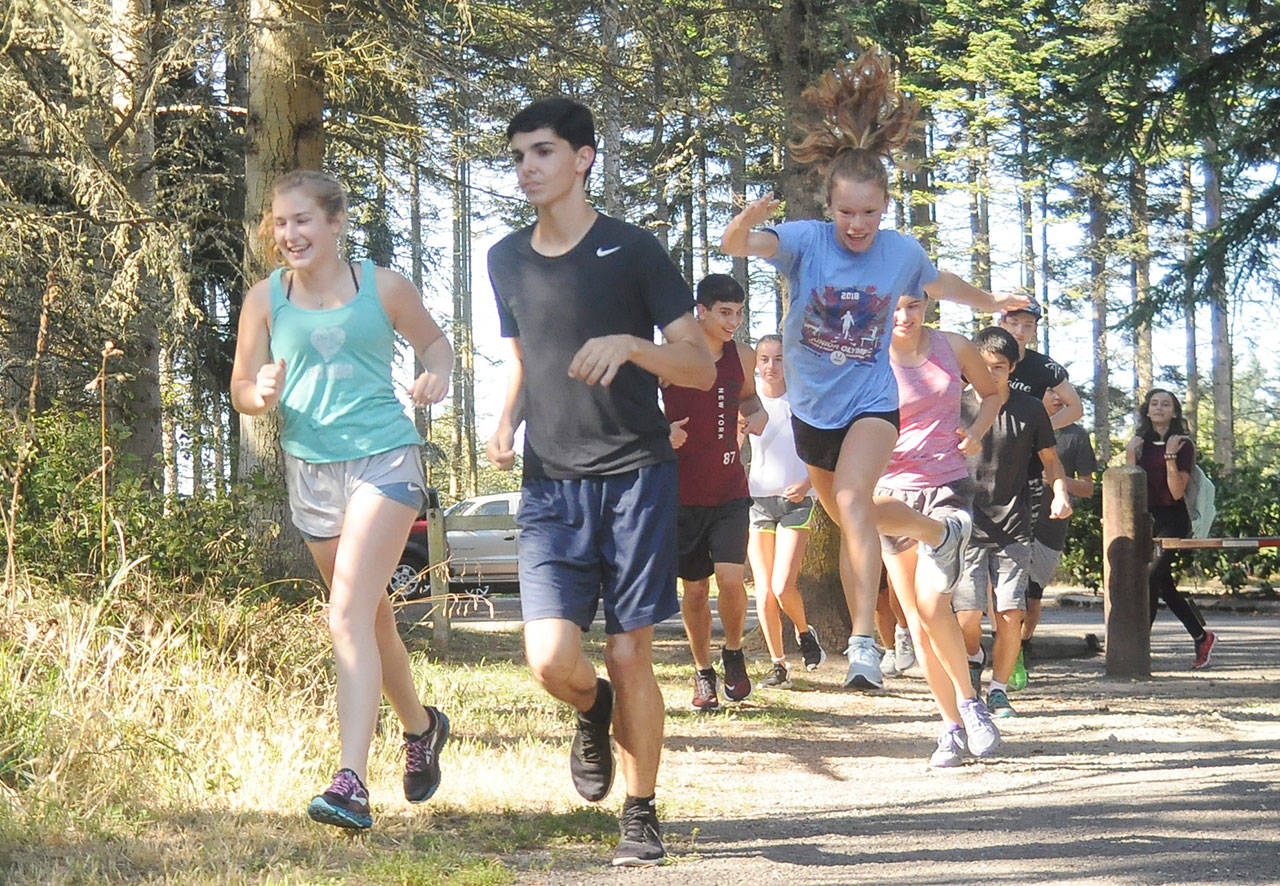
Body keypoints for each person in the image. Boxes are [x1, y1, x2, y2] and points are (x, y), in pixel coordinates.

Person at [718, 49, 1028, 690]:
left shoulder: (899, 252)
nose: (857, 225)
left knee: (857, 501)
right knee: (851, 516)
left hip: (870, 402)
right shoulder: (806, 241)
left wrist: (992, 301)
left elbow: (939, 281)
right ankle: (936, 533)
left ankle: (863, 643)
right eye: (846, 212)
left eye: (869, 213)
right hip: (811, 411)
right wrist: (747, 222)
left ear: (885, 208)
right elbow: (734, 246)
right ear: (829, 206)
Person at [485, 97, 715, 867]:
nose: (528, 169)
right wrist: (504, 417)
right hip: (550, 482)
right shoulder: (504, 258)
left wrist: (632, 345)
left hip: (636, 479)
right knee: (551, 661)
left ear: (583, 158)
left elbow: (699, 363)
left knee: (628, 653)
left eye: (543, 153)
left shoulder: (635, 250)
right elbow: (523, 357)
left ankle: (641, 812)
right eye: (518, 156)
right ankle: (595, 712)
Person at [229, 170, 454, 831]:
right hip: (312, 471)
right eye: (280, 222)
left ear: (335, 223)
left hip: (385, 458)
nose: (289, 234)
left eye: (302, 220)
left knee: (346, 612)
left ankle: (351, 782)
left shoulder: (380, 286)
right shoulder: (264, 300)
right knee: (371, 619)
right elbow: (241, 383)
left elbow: (434, 342)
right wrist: (258, 393)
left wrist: (436, 373)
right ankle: (422, 727)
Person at [875, 294, 1003, 767]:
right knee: (918, 620)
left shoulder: (953, 347)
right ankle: (950, 726)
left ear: (926, 304)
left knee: (934, 605)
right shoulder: (866, 358)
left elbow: (993, 393)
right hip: (890, 495)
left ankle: (972, 705)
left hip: (947, 486)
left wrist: (978, 432)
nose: (904, 317)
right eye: (893, 308)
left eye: (912, 306)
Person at [954, 327, 1072, 719]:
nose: (989, 376)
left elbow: (1050, 460)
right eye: (982, 368)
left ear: (1014, 368)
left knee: (1010, 614)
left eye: (999, 368)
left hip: (1014, 526)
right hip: (965, 525)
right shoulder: (954, 406)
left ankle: (999, 690)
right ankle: (973, 655)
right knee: (967, 617)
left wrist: (1060, 492)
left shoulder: (1030, 409)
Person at [664, 274, 767, 709]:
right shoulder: (671, 355)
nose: (734, 322)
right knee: (693, 589)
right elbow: (631, 408)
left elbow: (751, 401)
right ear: (700, 311)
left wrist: (756, 416)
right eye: (725, 313)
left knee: (730, 578)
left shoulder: (741, 356)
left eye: (739, 313)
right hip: (682, 493)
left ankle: (734, 653)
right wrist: (661, 432)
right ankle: (703, 671)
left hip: (729, 488)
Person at [743, 334, 827, 690]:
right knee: (762, 591)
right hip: (758, 501)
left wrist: (808, 484)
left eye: (778, 359)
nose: (771, 367)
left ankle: (806, 634)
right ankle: (778, 665)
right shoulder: (748, 403)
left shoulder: (803, 403)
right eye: (764, 359)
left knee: (781, 586)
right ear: (756, 365)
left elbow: (824, 454)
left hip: (796, 501)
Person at [1125, 389, 1216, 669]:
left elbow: (1177, 493)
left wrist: (1169, 458)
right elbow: (1130, 485)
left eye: (1166, 404)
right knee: (1161, 583)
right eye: (1154, 403)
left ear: (1175, 412)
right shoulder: (1138, 442)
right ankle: (1202, 636)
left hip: (1172, 518)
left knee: (1152, 578)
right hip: (1144, 516)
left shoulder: (1182, 444)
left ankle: (1138, 646)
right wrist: (1130, 454)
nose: (1159, 408)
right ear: (1147, 409)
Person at [1015, 386, 1097, 689]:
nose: (1057, 397)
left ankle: (1023, 646)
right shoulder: (1019, 422)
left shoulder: (1075, 436)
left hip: (1051, 526)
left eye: (1063, 393)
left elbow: (1088, 488)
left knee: (1034, 596)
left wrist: (1058, 481)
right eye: (1048, 390)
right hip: (1014, 519)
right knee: (1010, 593)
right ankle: (1010, 656)